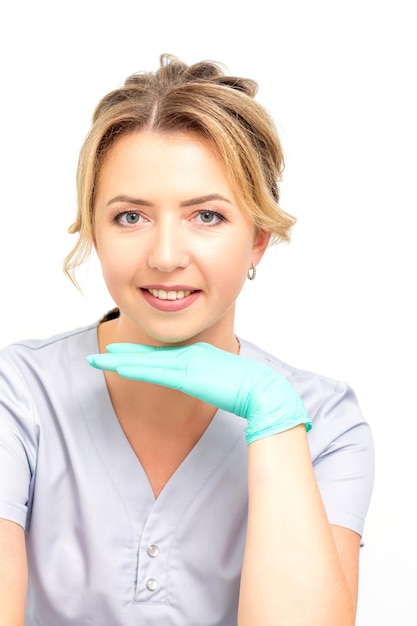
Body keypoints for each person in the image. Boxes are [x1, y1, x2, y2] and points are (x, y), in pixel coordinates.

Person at [0, 54, 374, 626]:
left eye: (206, 216)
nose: (166, 257)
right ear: (93, 231)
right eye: (130, 217)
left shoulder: (325, 423)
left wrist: (276, 424)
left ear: (257, 241)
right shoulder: (19, 397)